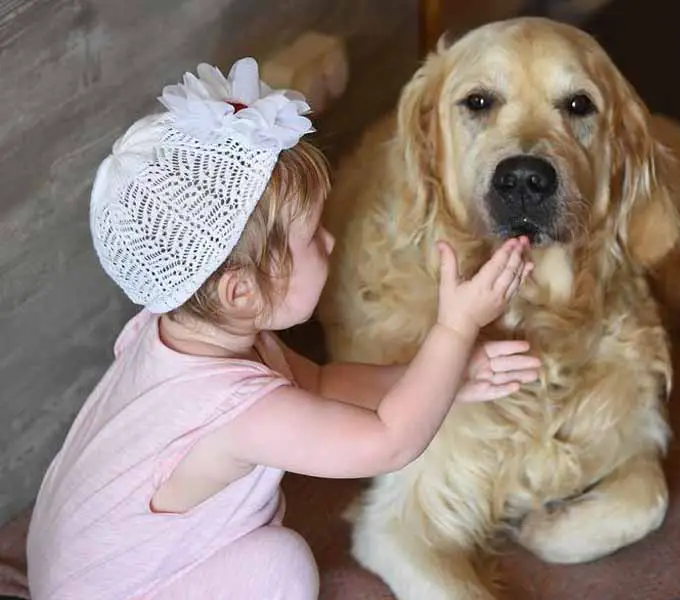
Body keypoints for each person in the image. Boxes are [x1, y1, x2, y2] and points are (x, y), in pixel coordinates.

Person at [26, 57, 538, 600]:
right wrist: (454, 330)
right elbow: (388, 441)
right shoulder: (239, 414)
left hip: (73, 560)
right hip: (107, 590)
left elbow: (319, 386)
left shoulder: (186, 328)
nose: (332, 243)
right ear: (241, 290)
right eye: (314, 236)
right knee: (281, 566)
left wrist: (445, 374)